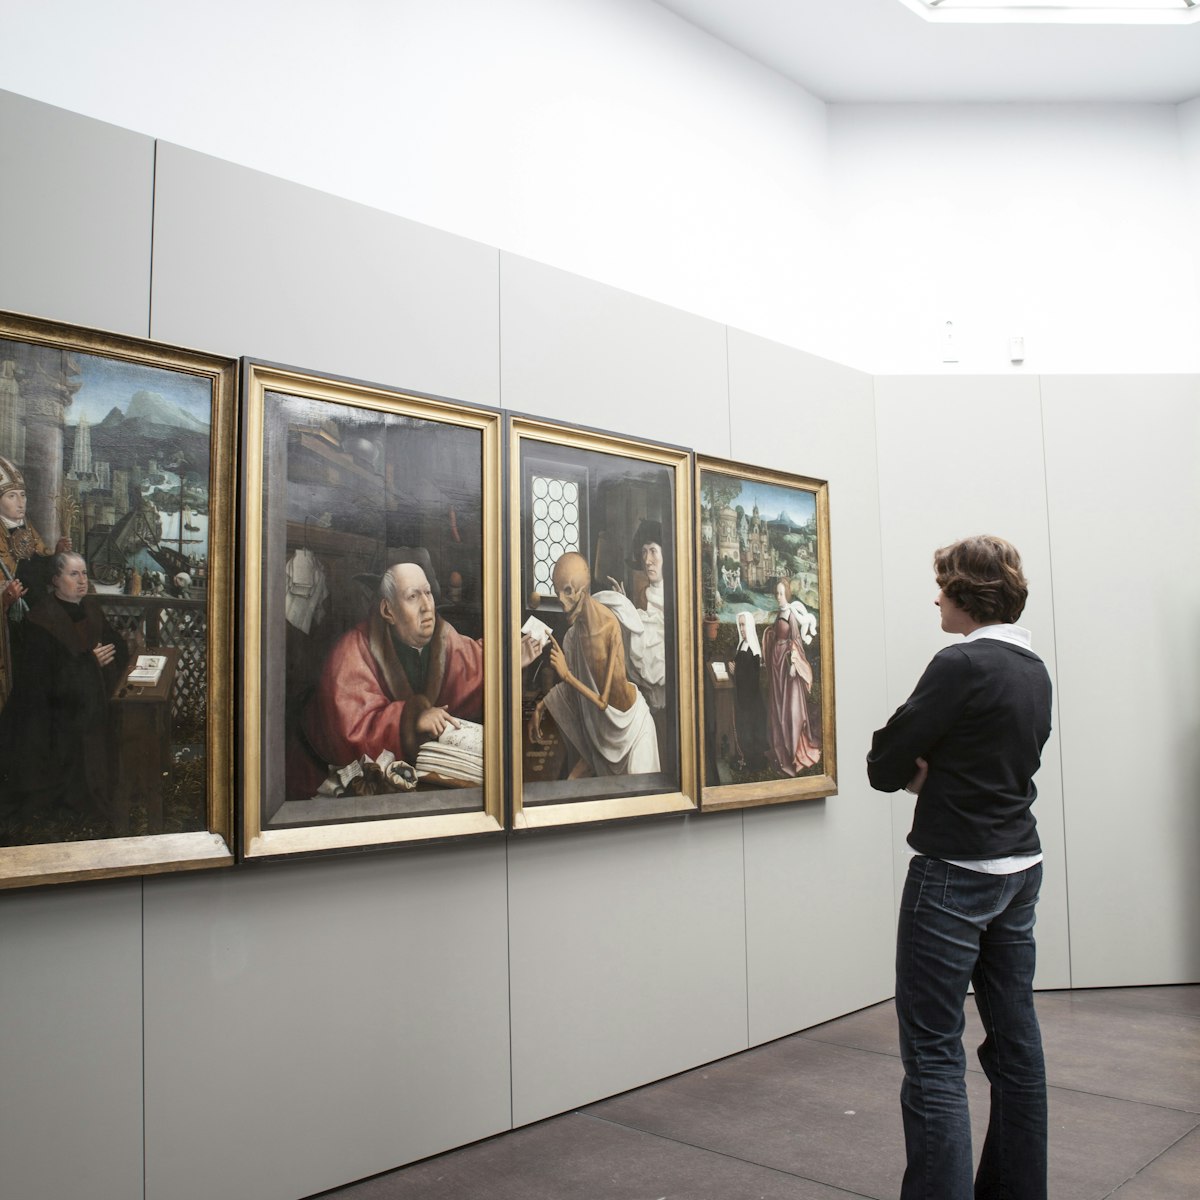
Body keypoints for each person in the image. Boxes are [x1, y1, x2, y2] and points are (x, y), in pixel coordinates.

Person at [866, 535, 1053, 1200]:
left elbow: (887, 758)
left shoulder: (961, 664)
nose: (936, 596)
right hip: (1019, 871)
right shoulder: (1034, 671)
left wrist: (923, 774)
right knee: (1016, 1044)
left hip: (954, 876)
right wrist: (942, 770)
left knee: (934, 1056)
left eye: (943, 585)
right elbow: (1003, 767)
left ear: (968, 596)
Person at [287, 557, 484, 801]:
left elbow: (475, 663)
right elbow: (352, 730)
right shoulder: (351, 652)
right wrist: (413, 720)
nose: (426, 607)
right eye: (413, 597)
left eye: (428, 593)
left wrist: (514, 656)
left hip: (403, 781)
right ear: (387, 610)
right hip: (327, 783)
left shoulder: (443, 638)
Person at [0, 552, 129, 840]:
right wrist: (88, 664)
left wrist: (113, 654)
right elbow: (41, 683)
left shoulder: (90, 608)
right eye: (73, 574)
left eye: (84, 574)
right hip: (53, 720)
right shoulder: (40, 620)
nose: (82, 581)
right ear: (55, 579)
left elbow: (115, 646)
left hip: (87, 707)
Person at [531, 551, 659, 778]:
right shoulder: (573, 637)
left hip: (632, 730)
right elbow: (577, 687)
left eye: (568, 591)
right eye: (558, 591)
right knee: (572, 783)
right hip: (604, 737)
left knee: (639, 798)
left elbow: (602, 701)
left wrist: (566, 674)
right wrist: (543, 705)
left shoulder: (610, 627)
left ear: (584, 589)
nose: (561, 600)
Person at [0, 455, 71, 705]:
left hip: (37, 614)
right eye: (12, 496)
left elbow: (38, 567)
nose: (21, 502)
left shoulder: (26, 527)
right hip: (12, 626)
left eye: (23, 495)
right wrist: (5, 599)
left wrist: (57, 555)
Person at [762, 577, 820, 776]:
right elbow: (776, 634)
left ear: (786, 594)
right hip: (777, 663)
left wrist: (794, 664)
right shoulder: (780, 613)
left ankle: (793, 752)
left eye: (781, 593)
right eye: (776, 593)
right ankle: (780, 750)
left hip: (788, 667)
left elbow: (796, 641)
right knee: (778, 707)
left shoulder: (792, 616)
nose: (778, 597)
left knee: (790, 710)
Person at [731, 610, 767, 769]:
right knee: (744, 729)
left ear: (750, 626)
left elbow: (751, 679)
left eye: (744, 625)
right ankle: (744, 758)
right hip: (743, 698)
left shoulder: (753, 649)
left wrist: (735, 670)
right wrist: (735, 667)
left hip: (751, 700)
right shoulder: (742, 644)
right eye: (740, 625)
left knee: (751, 730)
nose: (742, 629)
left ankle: (751, 763)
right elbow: (740, 666)